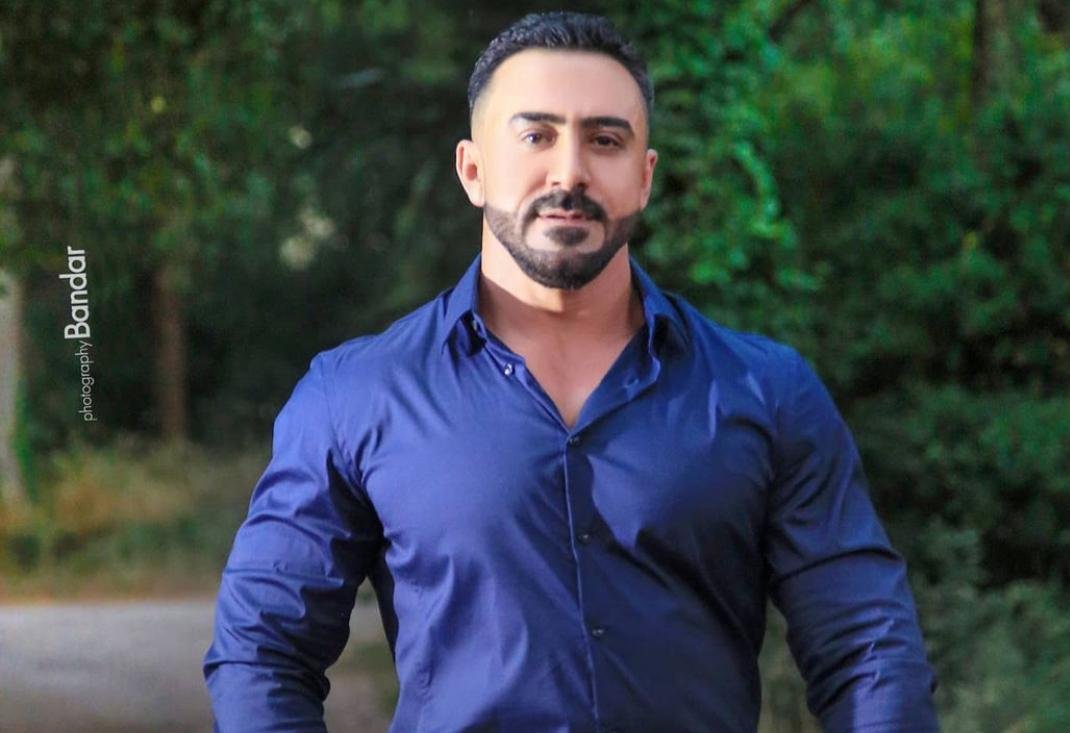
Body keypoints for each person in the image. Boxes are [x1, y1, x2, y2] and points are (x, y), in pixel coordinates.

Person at [203, 11, 939, 732]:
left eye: (605, 140)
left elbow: (866, 647)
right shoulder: (356, 395)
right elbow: (262, 652)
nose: (570, 172)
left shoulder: (766, 393)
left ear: (644, 177)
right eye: (535, 136)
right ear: (473, 170)